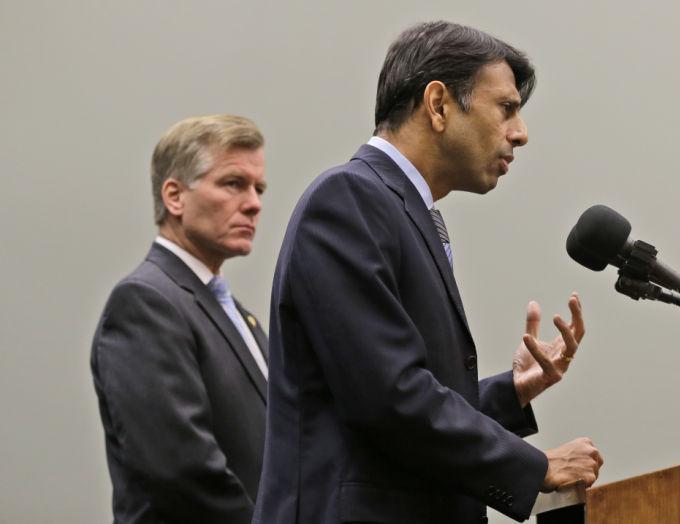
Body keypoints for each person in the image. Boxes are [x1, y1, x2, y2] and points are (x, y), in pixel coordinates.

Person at [255, 21, 603, 524]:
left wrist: (511, 391)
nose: (521, 133)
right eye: (506, 108)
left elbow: (394, 405)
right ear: (438, 104)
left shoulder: (400, 211)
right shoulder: (348, 200)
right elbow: (389, 400)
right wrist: (535, 466)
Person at [91, 114, 269, 524]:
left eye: (258, 188)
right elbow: (181, 471)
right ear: (174, 196)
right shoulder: (145, 303)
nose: (254, 202)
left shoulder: (235, 313)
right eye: (233, 183)